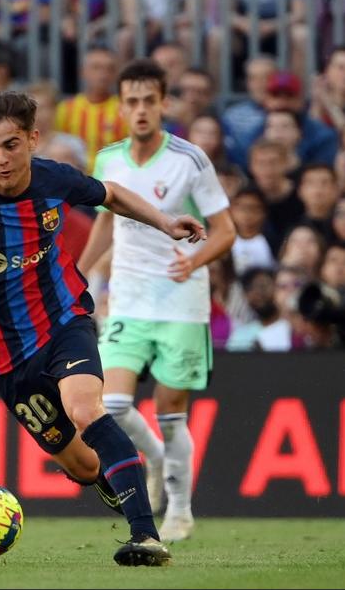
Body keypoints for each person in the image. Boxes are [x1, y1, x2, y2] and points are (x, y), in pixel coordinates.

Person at [0, 91, 207, 565]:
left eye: (10, 145)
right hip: (6, 354)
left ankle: (146, 536)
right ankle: (117, 485)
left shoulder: (53, 178)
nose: (0, 159)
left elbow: (111, 195)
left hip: (64, 320)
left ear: (32, 139)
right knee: (85, 465)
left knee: (87, 409)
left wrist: (166, 222)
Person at [78, 59, 236, 542]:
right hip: (127, 298)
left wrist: (195, 261)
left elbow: (226, 231)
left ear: (164, 103)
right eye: (132, 101)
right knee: (112, 402)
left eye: (150, 100)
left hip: (181, 303)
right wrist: (81, 273)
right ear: (121, 107)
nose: (141, 109)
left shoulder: (189, 161)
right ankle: (155, 457)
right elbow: (107, 219)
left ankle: (181, 510)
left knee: (171, 409)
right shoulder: (109, 160)